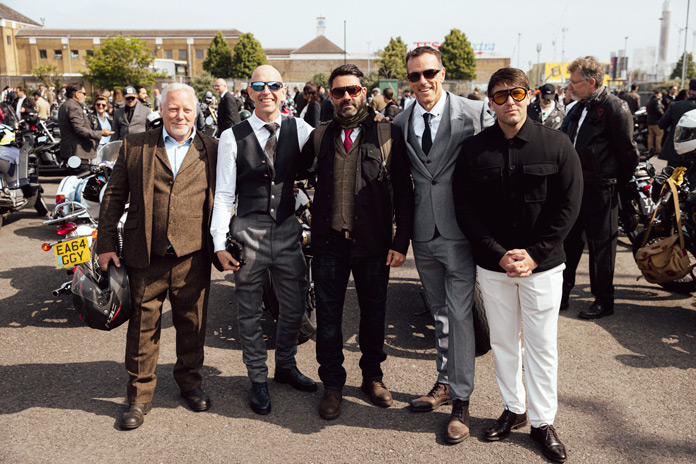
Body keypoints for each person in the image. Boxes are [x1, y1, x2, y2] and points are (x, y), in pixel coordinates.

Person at [453, 66, 582, 464]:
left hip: (542, 267)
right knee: (504, 342)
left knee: (542, 346)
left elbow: (570, 205)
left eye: (517, 94)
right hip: (494, 267)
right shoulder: (475, 150)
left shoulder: (557, 145)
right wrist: (497, 253)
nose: (510, 102)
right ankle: (514, 408)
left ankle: (544, 422)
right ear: (489, 102)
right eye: (500, 95)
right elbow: (465, 208)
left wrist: (536, 253)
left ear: (529, 96)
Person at [97, 83, 219, 430]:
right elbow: (114, 197)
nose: (180, 116)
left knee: (192, 324)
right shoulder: (136, 145)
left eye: (187, 110)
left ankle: (190, 383)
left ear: (196, 112)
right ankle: (138, 396)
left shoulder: (212, 148)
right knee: (142, 328)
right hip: (144, 254)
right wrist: (105, 243)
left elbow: (224, 198)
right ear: (161, 109)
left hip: (192, 256)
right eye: (173, 109)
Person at [297, 63, 414, 421]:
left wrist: (401, 240)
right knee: (328, 319)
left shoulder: (388, 134)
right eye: (338, 92)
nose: (346, 97)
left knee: (374, 315)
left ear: (365, 92)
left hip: (374, 245)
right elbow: (293, 174)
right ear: (329, 96)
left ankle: (372, 377)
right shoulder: (319, 137)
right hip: (330, 245)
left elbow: (407, 195)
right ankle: (332, 384)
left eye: (353, 90)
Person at [393, 46, 493, 444]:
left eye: (429, 73)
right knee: (438, 313)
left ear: (442, 72)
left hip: (461, 230)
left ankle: (462, 401)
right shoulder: (402, 120)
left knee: (460, 313)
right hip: (423, 232)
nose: (423, 82)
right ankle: (444, 382)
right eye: (415, 76)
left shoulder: (472, 112)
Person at [211, 65, 317, 416]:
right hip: (248, 230)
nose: (266, 91)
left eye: (273, 85)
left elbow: (327, 153)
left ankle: (285, 365)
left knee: (295, 304)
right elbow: (225, 194)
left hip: (288, 229)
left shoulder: (299, 128)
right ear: (250, 92)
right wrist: (219, 241)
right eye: (259, 85)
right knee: (248, 310)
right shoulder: (232, 135)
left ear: (283, 91)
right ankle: (257, 378)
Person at [562, 56, 639, 319]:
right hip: (575, 188)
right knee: (568, 242)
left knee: (601, 248)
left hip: (602, 189)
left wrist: (621, 187)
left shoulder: (615, 108)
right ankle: (562, 293)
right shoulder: (577, 107)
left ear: (590, 82)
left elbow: (628, 153)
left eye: (574, 82)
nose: (569, 86)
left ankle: (604, 300)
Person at [57, 83, 113, 161]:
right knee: (82, 172)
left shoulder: (65, 105)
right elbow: (80, 130)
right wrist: (100, 133)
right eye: (84, 94)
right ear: (77, 94)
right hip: (77, 153)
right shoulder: (73, 107)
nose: (85, 96)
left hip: (71, 152)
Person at [658, 78, 696, 167]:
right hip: (694, 155)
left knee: (672, 180)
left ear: (690, 90)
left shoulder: (676, 105)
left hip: (676, 153)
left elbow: (662, 124)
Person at [646, 89, 665, 155]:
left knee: (650, 136)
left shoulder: (649, 100)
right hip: (656, 121)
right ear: (658, 94)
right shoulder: (657, 100)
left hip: (649, 121)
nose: (661, 95)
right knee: (659, 135)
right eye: (661, 94)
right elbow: (659, 109)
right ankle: (658, 149)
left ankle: (650, 149)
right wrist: (664, 115)